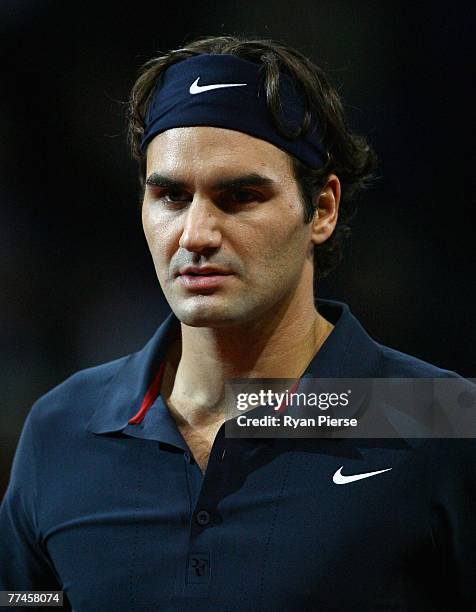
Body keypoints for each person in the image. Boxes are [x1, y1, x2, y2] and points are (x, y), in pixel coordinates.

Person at [1, 36, 474, 611]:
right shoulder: (61, 428)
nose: (195, 234)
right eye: (171, 195)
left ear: (321, 209)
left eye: (240, 196)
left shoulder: (443, 420)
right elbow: (27, 602)